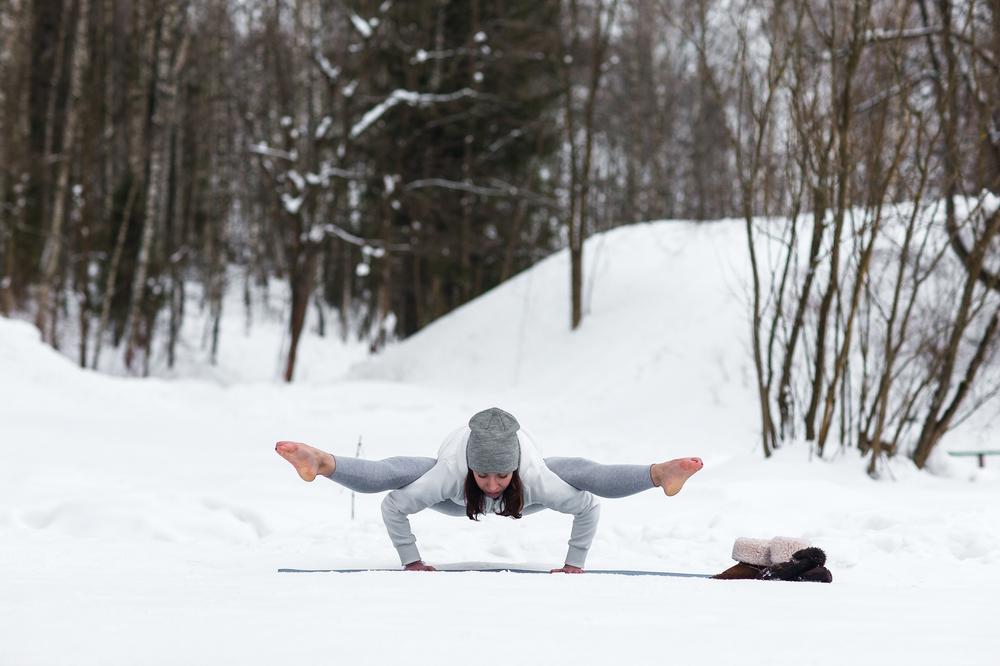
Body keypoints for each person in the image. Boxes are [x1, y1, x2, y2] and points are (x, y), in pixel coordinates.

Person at [276, 407, 703, 573]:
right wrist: (412, 562)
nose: (494, 485)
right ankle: (322, 461)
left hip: (528, 501)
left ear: (515, 468)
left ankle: (659, 473)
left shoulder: (535, 477)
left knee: (580, 472)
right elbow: (393, 506)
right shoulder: (449, 473)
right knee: (397, 471)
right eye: (484, 476)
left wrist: (574, 565)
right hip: (454, 502)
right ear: (471, 468)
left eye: (501, 476)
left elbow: (587, 507)